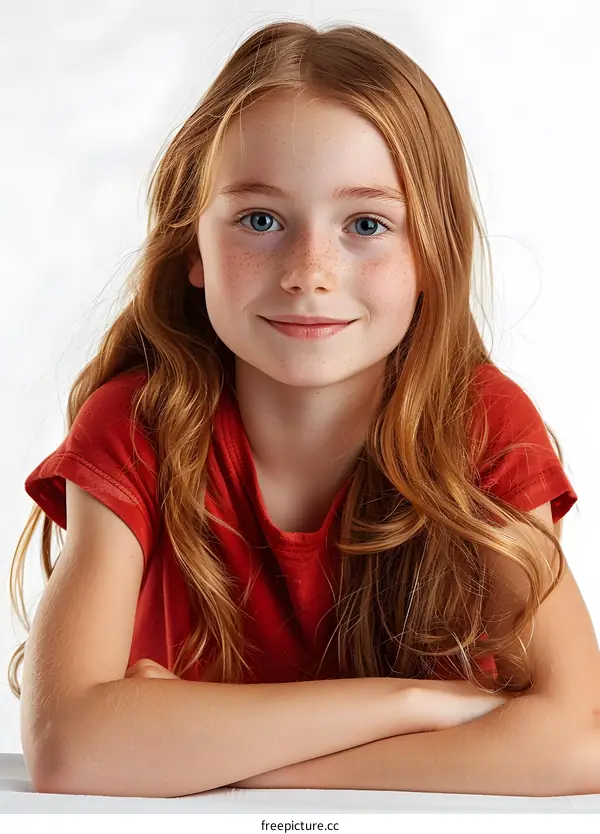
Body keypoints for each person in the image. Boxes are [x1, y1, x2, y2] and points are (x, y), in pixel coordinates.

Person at [7, 20, 600, 799]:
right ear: (194, 244)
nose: (309, 273)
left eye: (366, 225)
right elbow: (68, 749)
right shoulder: (136, 425)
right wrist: (411, 703)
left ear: (433, 254)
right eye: (261, 220)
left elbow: (581, 740)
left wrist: (227, 763)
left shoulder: (481, 425)